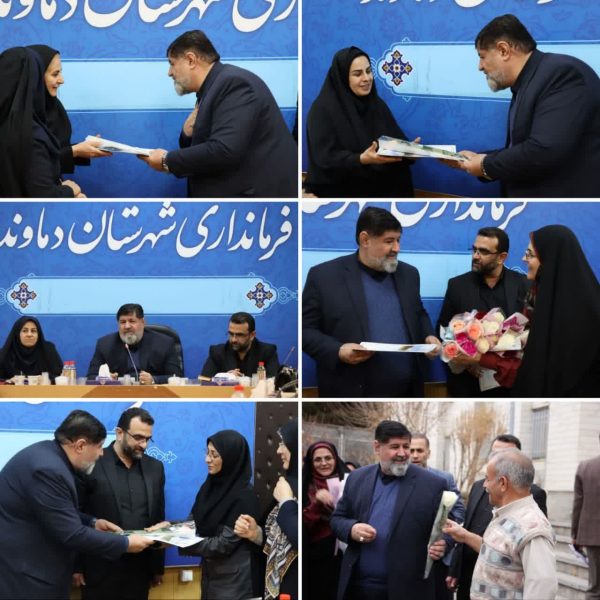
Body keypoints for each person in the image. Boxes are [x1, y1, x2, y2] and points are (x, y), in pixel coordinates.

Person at [0, 410, 155, 600]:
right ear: (80, 445)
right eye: (99, 446)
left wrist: (92, 522)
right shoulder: (47, 469)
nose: (101, 453)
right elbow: (72, 534)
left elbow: (55, 511)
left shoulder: (49, 456)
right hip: (28, 579)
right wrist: (125, 543)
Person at [449, 14, 600, 197]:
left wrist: (484, 164)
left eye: (482, 57)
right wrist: (477, 159)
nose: (480, 67)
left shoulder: (561, 75)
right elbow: (522, 148)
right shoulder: (529, 81)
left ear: (503, 50)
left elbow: (544, 150)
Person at [303, 206, 441, 398]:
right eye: (389, 241)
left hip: (407, 393)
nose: (397, 248)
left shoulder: (409, 274)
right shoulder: (324, 276)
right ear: (365, 239)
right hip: (351, 394)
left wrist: (428, 335)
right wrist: (338, 350)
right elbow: (305, 330)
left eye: (398, 240)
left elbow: (418, 313)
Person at [140, 30, 297, 198]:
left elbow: (224, 150)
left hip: (254, 203)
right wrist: (187, 135)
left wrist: (167, 160)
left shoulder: (234, 84)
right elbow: (206, 149)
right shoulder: (213, 87)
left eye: (172, 63)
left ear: (191, 60)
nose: (169, 72)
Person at [452, 224, 600, 397]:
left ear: (549, 260)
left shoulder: (578, 313)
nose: (523, 259)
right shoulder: (542, 295)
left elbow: (541, 371)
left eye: (530, 254)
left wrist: (483, 359)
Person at [330, 421, 450, 600]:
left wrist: (445, 543)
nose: (402, 453)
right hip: (358, 588)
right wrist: (352, 529)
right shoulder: (357, 478)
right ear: (377, 447)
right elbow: (337, 519)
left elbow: (448, 527)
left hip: (407, 590)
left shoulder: (433, 484)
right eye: (395, 447)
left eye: (406, 446)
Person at [73, 408, 166, 600]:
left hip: (140, 570)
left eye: (148, 439)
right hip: (98, 567)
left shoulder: (155, 468)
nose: (144, 445)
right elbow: (74, 514)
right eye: (138, 438)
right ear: (119, 433)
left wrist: (157, 567)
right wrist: (76, 565)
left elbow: (158, 516)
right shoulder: (92, 461)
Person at [443, 448, 557, 600]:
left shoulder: (533, 528)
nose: (484, 485)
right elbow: (499, 554)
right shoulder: (507, 514)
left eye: (487, 479)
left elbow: (542, 588)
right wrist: (464, 536)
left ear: (503, 483)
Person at [305, 46, 415, 198]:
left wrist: (409, 150)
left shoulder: (377, 104)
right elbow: (324, 158)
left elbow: (394, 139)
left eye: (368, 71)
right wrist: (360, 159)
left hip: (379, 183)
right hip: (341, 186)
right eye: (357, 74)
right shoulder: (322, 109)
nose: (366, 78)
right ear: (343, 77)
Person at [437, 227, 529, 397]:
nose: (475, 256)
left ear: (502, 257)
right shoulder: (457, 286)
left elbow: (531, 334)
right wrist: (466, 361)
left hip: (510, 386)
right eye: (474, 250)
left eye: (483, 252)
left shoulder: (524, 285)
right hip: (468, 385)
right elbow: (444, 329)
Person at [171, 429, 262, 599]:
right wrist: (168, 529)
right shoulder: (208, 487)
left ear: (230, 458)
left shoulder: (245, 497)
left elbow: (223, 545)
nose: (207, 459)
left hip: (235, 585)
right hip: (210, 578)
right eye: (207, 453)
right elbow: (192, 523)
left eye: (214, 455)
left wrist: (179, 541)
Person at [0, 46, 85, 197]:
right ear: (34, 80)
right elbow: (43, 194)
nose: (61, 80)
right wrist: (70, 190)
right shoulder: (30, 134)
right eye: (54, 74)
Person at [235, 419, 298, 600]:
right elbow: (279, 542)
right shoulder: (287, 485)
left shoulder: (302, 490)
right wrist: (256, 534)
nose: (278, 451)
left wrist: (286, 502)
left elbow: (299, 537)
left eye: (283, 444)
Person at [28, 44, 111, 175]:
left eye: (60, 72)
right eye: (55, 74)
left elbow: (51, 151)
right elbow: (27, 164)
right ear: (36, 76)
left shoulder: (52, 105)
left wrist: (82, 149)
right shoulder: (16, 115)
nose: (62, 80)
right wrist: (75, 151)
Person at [410, 433, 465, 600]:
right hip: (407, 558)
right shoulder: (397, 479)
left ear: (428, 453)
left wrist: (446, 540)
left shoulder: (444, 479)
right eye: (411, 450)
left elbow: (458, 512)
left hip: (438, 559)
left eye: (420, 450)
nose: (415, 455)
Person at [87, 303, 183, 384]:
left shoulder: (164, 343)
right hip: (118, 394)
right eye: (122, 322)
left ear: (143, 322)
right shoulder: (105, 344)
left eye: (132, 321)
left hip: (154, 394)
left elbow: (177, 377)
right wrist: (104, 379)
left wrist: (154, 380)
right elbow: (91, 376)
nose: (127, 326)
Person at [303, 440, 349, 600]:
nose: (324, 463)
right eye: (318, 459)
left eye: (328, 458)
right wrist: (316, 503)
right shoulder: (305, 485)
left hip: (344, 556)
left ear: (335, 459)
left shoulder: (348, 482)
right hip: (316, 559)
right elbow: (302, 525)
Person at [200, 312, 280, 378]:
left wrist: (244, 380)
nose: (233, 339)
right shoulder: (217, 352)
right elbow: (204, 381)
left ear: (252, 335)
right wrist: (225, 377)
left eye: (239, 335)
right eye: (231, 334)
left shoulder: (268, 352)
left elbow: (273, 381)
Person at [572, 433, 600, 600]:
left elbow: (578, 503)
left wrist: (575, 534)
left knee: (595, 588)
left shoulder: (585, 467)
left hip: (593, 536)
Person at [0, 315, 63, 382]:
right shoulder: (6, 353)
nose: (29, 334)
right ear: (17, 333)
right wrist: (8, 381)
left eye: (33, 331)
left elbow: (60, 376)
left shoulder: (48, 350)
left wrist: (45, 379)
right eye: (25, 331)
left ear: (38, 334)